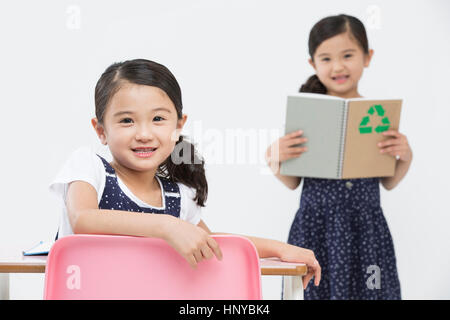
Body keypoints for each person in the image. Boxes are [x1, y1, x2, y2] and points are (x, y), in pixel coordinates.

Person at [49, 58, 320, 290]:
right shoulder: (88, 166)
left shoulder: (178, 196)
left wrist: (281, 249)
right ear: (101, 130)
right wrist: (167, 226)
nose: (144, 134)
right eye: (126, 121)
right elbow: (84, 219)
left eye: (158, 119)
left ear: (178, 126)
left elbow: (213, 244)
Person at [265, 14, 412, 299]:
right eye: (327, 58)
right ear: (312, 64)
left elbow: (389, 182)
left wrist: (404, 156)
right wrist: (274, 157)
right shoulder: (307, 112)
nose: (338, 66)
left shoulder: (376, 114)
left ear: (367, 57)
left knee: (372, 290)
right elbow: (292, 181)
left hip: (366, 229)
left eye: (348, 55)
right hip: (316, 228)